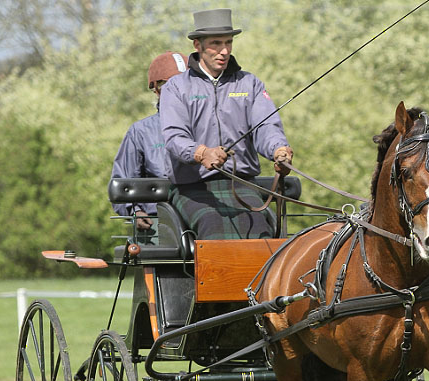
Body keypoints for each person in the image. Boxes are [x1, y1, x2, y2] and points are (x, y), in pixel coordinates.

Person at [159, 8, 294, 239]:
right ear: (197, 45)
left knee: (260, 230)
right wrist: (201, 153)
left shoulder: (250, 84)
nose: (224, 51)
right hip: (193, 187)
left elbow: (266, 127)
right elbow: (174, 137)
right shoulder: (176, 88)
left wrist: (278, 149)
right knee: (212, 225)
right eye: (216, 43)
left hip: (243, 184)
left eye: (228, 43)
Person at [111, 51, 189, 230]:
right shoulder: (140, 133)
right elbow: (123, 182)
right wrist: (134, 211)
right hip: (158, 223)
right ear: (156, 90)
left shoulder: (210, 125)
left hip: (207, 218)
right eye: (171, 86)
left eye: (186, 85)